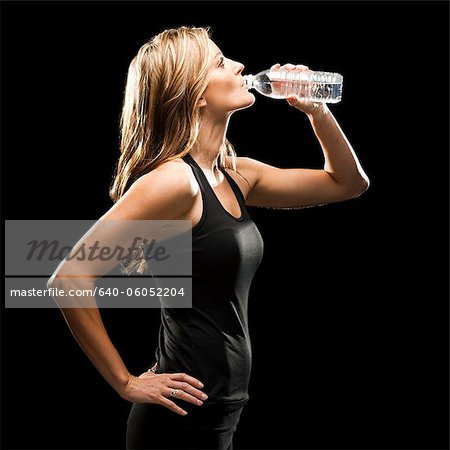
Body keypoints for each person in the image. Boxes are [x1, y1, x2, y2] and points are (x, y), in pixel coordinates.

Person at [47, 26, 369, 450]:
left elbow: (347, 183)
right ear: (196, 94)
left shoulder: (238, 176)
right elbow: (69, 278)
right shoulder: (174, 182)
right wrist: (125, 382)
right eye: (220, 62)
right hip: (180, 421)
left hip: (223, 412)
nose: (239, 65)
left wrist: (317, 112)